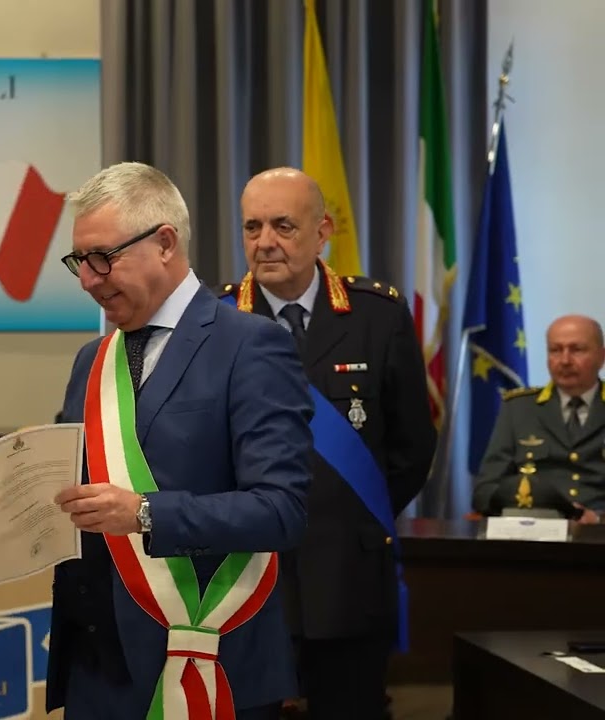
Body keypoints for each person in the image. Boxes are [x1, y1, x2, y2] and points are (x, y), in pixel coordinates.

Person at [47, 162, 314, 720]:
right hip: (97, 672)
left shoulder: (251, 345)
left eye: (103, 258)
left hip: (209, 658)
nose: (88, 280)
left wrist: (145, 513)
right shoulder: (91, 360)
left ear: (165, 243)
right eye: (79, 261)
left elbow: (281, 510)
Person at [220, 167, 437, 720]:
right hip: (245, 579)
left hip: (349, 577)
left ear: (323, 232)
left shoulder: (378, 315)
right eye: (252, 227)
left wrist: (351, 518)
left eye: (283, 225)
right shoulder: (214, 320)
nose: (265, 242)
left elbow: (412, 447)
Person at [473, 314, 605, 521]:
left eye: (577, 350)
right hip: (533, 532)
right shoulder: (519, 408)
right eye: (555, 350)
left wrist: (599, 519)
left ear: (601, 356)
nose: (565, 360)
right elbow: (485, 491)